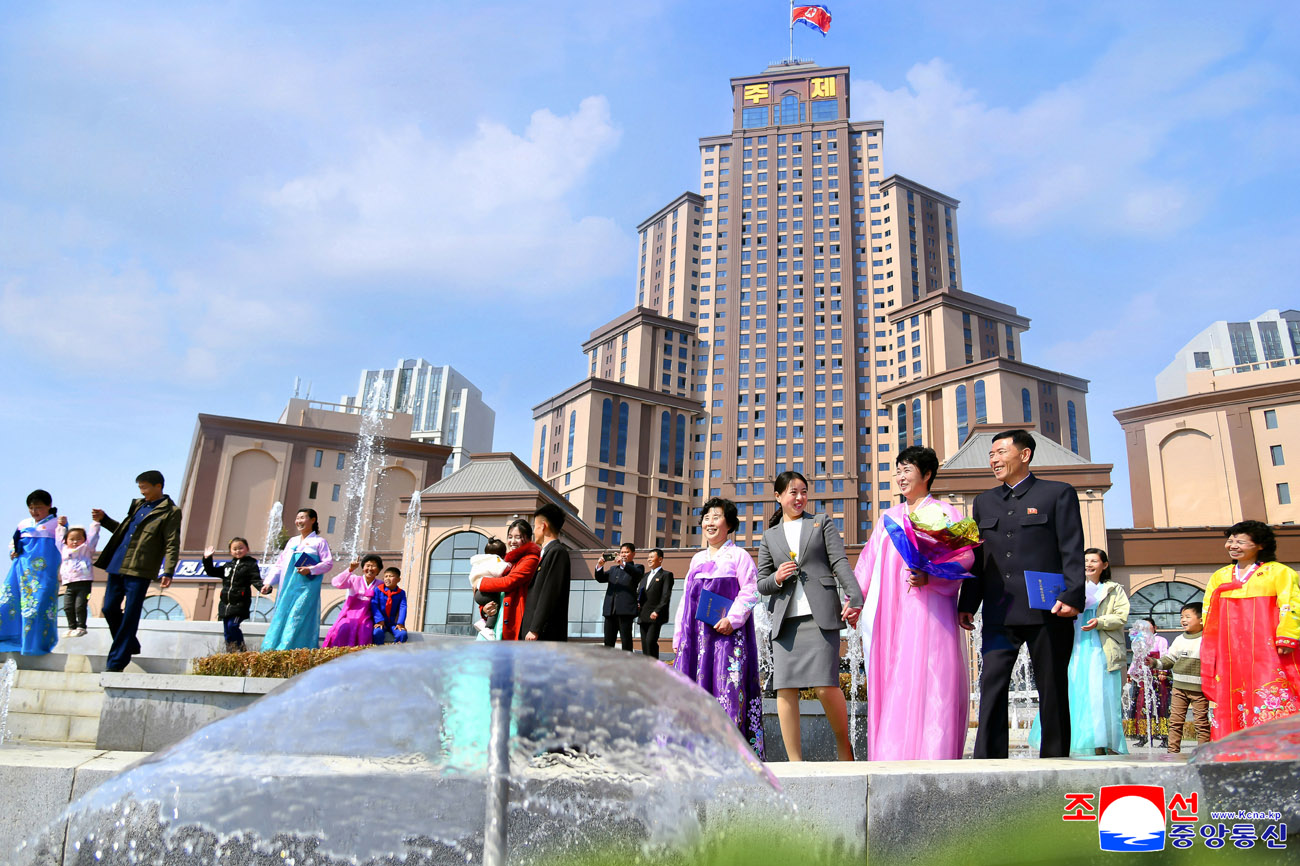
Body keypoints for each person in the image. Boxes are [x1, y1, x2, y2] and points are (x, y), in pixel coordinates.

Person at [957, 430, 1086, 759]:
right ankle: (988, 761)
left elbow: (1071, 549)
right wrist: (968, 603)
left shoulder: (1057, 494)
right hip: (1000, 610)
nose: (994, 460)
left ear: (1024, 454)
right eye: (991, 454)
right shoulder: (984, 502)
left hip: (1049, 610)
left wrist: (1073, 596)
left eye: (1001, 452)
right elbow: (979, 557)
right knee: (992, 685)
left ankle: (1054, 759)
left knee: (1052, 687)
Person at [854, 447, 968, 760]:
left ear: (927, 474)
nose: (901, 477)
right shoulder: (888, 518)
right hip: (893, 614)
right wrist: (854, 600)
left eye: (908, 470)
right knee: (895, 678)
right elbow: (867, 564)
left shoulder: (945, 514)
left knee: (933, 679)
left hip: (932, 612)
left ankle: (934, 754)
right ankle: (893, 754)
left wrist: (933, 578)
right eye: (899, 470)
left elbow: (963, 559)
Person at [757, 472, 863, 761]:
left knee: (825, 686)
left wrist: (855, 596)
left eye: (803, 491)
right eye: (793, 492)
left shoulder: (821, 523)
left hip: (820, 617)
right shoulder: (769, 536)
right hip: (785, 621)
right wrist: (777, 577)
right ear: (778, 497)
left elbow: (839, 560)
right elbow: (761, 582)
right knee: (785, 688)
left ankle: (845, 748)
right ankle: (795, 762)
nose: (799, 497)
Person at [673, 497, 764, 758]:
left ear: (729, 524)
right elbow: (685, 601)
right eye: (707, 517)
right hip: (696, 643)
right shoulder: (696, 560)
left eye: (717, 517)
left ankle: (729, 753)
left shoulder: (739, 556)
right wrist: (679, 636)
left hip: (727, 639)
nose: (710, 522)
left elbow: (751, 591)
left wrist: (732, 619)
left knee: (728, 690)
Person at [1201, 520, 1300, 739]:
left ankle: (1277, 743)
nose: (1232, 545)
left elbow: (1291, 605)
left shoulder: (1279, 572)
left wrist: (1287, 637)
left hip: (1267, 648)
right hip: (1229, 650)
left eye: (1240, 541)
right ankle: (1231, 746)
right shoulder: (1220, 576)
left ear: (1260, 545)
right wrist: (1211, 649)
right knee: (1229, 692)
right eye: (1230, 540)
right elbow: (1209, 614)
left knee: (1270, 686)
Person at [1029, 547, 1129, 755]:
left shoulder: (1112, 589)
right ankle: (1068, 739)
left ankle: (1101, 743)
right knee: (1070, 687)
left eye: (1094, 561)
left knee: (1099, 692)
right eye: (1085, 561)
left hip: (1100, 647)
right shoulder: (1069, 586)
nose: (1089, 564)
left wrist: (1100, 621)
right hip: (1072, 643)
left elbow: (1121, 616)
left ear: (1105, 565)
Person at [92, 471, 183, 671]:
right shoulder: (138, 505)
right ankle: (130, 644)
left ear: (158, 486)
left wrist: (168, 571)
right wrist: (104, 519)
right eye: (140, 488)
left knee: (131, 615)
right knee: (108, 608)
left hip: (140, 569)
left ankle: (116, 663)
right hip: (117, 564)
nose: (142, 492)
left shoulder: (171, 511)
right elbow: (124, 531)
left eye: (145, 488)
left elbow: (171, 542)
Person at [260, 508, 333, 651]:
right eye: (297, 518)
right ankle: (272, 649)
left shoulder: (319, 542)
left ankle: (289, 650)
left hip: (306, 588)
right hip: (287, 589)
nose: (299, 521)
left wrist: (311, 569)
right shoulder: (292, 541)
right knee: (282, 616)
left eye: (303, 518)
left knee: (297, 617)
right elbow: (280, 564)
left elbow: (328, 563)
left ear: (313, 520)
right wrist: (268, 582)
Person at [0, 490, 63, 655]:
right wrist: (13, 551)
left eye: (39, 507)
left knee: (36, 607)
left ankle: (34, 646)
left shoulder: (57, 524)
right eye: (31, 508)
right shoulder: (23, 524)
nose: (35, 511)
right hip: (21, 570)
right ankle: (10, 640)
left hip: (44, 574)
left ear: (49, 506)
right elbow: (13, 543)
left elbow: (67, 546)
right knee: (7, 602)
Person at [1149, 601, 1210, 753]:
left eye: (1188, 616)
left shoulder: (1208, 639)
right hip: (1179, 688)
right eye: (1182, 616)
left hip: (1200, 689)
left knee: (1201, 723)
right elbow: (1169, 660)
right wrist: (1154, 663)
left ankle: (1203, 754)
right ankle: (1172, 752)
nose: (1183, 620)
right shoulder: (1179, 639)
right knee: (1175, 722)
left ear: (1201, 619)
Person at [475, 519, 541, 641]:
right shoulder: (506, 562)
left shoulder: (530, 560)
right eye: (510, 537)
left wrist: (480, 582)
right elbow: (494, 592)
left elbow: (508, 582)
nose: (512, 541)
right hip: (498, 620)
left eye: (518, 537)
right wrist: (485, 610)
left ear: (527, 539)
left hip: (512, 621)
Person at [201, 537, 264, 652]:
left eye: (241, 548)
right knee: (227, 632)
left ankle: (242, 651)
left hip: (240, 604)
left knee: (233, 626)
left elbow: (256, 579)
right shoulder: (227, 566)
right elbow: (211, 571)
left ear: (247, 549)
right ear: (230, 551)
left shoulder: (250, 565)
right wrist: (207, 558)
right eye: (234, 549)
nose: (238, 551)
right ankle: (231, 654)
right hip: (225, 605)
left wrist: (263, 588)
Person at [521, 503, 571, 642]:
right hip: (535, 632)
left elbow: (550, 593)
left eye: (535, 526)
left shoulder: (557, 552)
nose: (534, 531)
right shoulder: (546, 553)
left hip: (544, 634)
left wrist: (535, 629)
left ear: (543, 526)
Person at [1125, 616, 1170, 747]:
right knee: (1141, 706)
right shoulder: (1139, 641)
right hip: (1142, 678)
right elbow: (1135, 659)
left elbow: (1164, 654)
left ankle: (1164, 737)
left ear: (1155, 628)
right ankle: (1143, 736)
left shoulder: (1160, 640)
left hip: (1157, 675)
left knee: (1161, 706)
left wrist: (1163, 672)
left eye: (1148, 627)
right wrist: (1130, 673)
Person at [323, 554, 381, 648]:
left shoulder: (380, 585)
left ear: (378, 570)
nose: (370, 568)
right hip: (348, 616)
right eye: (368, 565)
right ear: (363, 568)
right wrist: (350, 570)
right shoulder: (354, 579)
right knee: (343, 629)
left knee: (365, 632)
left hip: (366, 619)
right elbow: (336, 583)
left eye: (373, 566)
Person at [594, 543, 643, 651]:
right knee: (608, 641)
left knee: (626, 640)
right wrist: (600, 565)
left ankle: (627, 664)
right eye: (622, 552)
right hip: (610, 610)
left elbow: (637, 574)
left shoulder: (637, 567)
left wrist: (623, 563)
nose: (624, 554)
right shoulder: (613, 569)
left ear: (633, 554)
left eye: (627, 552)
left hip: (625, 611)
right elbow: (600, 578)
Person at [58, 516, 100, 637]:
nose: (75, 542)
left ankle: (81, 626)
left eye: (79, 539)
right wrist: (61, 526)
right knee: (67, 606)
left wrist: (95, 523)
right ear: (66, 541)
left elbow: (93, 537)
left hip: (84, 583)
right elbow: (58, 538)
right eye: (72, 539)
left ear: (84, 540)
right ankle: (71, 627)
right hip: (69, 583)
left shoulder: (86, 549)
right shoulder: (64, 550)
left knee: (80, 606)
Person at [636, 548, 674, 659]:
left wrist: (657, 610)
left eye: (652, 557)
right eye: (648, 557)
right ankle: (648, 667)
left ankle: (654, 666)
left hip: (655, 615)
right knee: (644, 644)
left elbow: (666, 595)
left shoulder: (666, 575)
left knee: (650, 641)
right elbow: (640, 593)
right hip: (643, 614)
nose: (649, 559)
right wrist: (637, 603)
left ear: (660, 559)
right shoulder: (644, 576)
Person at [469, 539, 509, 639]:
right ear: (503, 555)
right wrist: (509, 566)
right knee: (495, 605)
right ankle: (488, 629)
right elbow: (499, 571)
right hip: (488, 592)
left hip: (479, 593)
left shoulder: (479, 562)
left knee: (490, 607)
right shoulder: (495, 560)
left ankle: (483, 622)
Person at [371, 567, 408, 644]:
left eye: (391, 576)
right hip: (381, 622)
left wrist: (400, 623)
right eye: (386, 576)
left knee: (402, 634)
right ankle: (379, 651)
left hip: (394, 622)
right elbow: (374, 605)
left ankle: (395, 651)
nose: (387, 578)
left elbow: (403, 608)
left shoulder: (401, 593)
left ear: (398, 579)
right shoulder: (378, 590)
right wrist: (379, 620)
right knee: (377, 633)